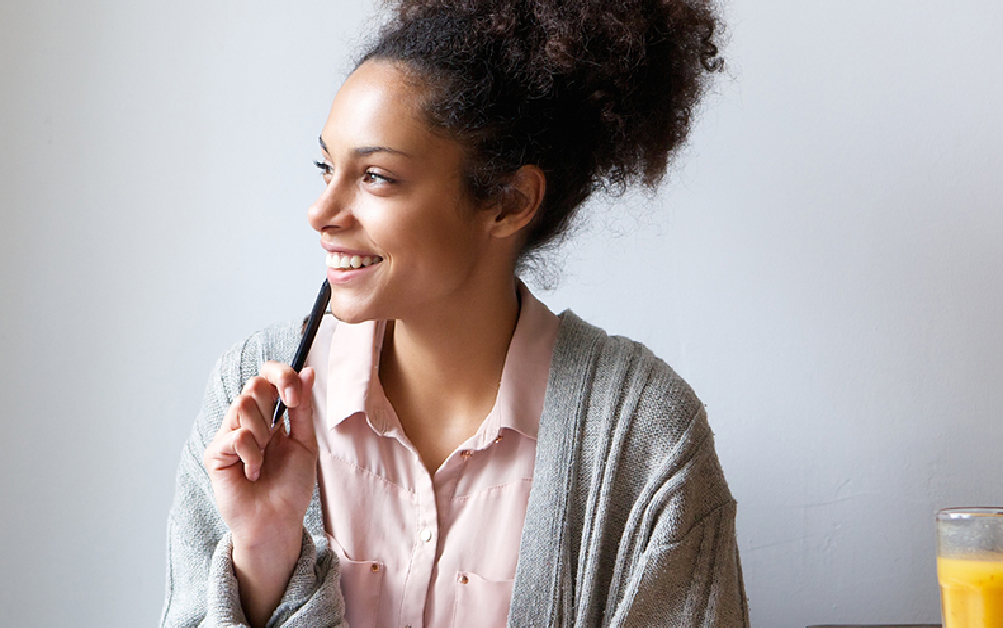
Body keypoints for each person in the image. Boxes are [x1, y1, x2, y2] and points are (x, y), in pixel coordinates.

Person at [161, 0, 746, 626]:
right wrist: (263, 557)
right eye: (326, 167)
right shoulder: (251, 399)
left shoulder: (645, 440)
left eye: (378, 176)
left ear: (509, 201)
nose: (322, 211)